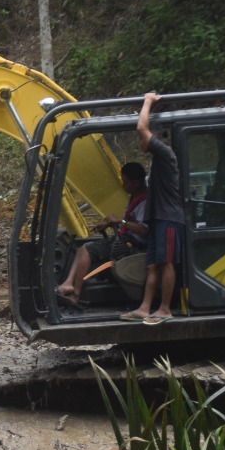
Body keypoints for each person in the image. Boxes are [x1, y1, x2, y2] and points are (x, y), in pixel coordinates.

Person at [123, 92, 187, 324]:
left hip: (168, 218)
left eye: (145, 139)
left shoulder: (166, 154)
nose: (140, 143)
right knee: (152, 265)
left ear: (155, 136)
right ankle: (145, 307)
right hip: (157, 220)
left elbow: (142, 127)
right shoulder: (158, 160)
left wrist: (148, 101)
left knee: (167, 262)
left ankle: (165, 309)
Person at [55, 161, 148, 306]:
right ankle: (68, 283)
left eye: (125, 182)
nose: (123, 186)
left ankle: (76, 295)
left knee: (87, 250)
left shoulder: (145, 201)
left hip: (134, 244)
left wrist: (120, 222)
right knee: (81, 248)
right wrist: (109, 223)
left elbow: (143, 229)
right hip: (126, 238)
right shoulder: (135, 197)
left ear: (136, 183)